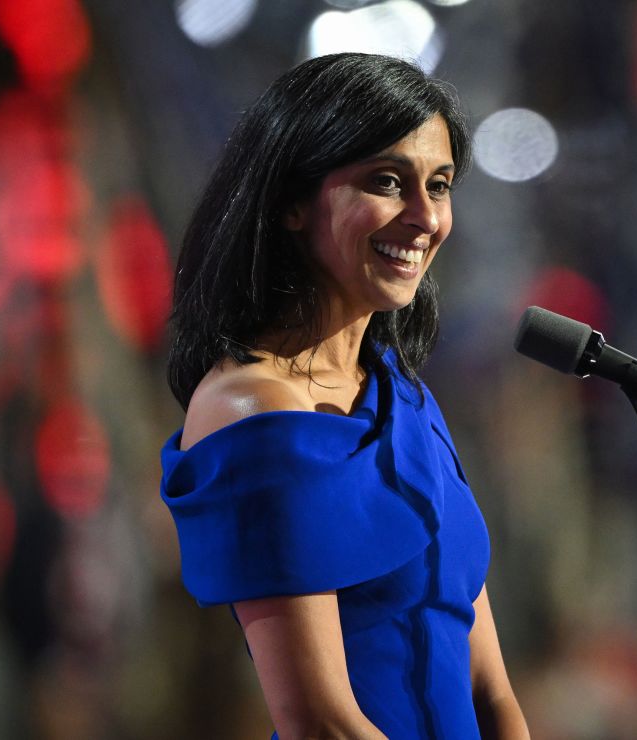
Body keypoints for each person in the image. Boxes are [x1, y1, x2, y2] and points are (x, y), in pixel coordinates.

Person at [159, 53, 530, 739]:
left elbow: (491, 688)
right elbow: (321, 721)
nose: (425, 218)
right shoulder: (251, 411)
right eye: (387, 182)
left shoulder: (406, 400)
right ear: (292, 202)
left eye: (440, 185)